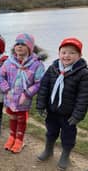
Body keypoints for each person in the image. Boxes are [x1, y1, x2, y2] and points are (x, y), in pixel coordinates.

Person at [36, 38, 88, 170]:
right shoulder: (53, 68)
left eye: (72, 53)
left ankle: (65, 155)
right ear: (59, 54)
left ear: (79, 56)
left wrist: (77, 115)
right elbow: (44, 88)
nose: (67, 56)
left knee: (68, 136)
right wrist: (41, 105)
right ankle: (48, 150)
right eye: (63, 52)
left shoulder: (83, 73)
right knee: (50, 132)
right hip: (52, 111)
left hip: (69, 114)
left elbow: (83, 97)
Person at [0, 33, 45, 153]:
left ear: (29, 47)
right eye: (17, 44)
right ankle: (12, 137)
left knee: (21, 119)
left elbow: (39, 82)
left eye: (23, 44)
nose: (19, 46)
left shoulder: (37, 64)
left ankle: (19, 140)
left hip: (24, 99)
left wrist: (27, 94)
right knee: (12, 117)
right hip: (10, 97)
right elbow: (0, 76)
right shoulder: (9, 61)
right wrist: (6, 90)